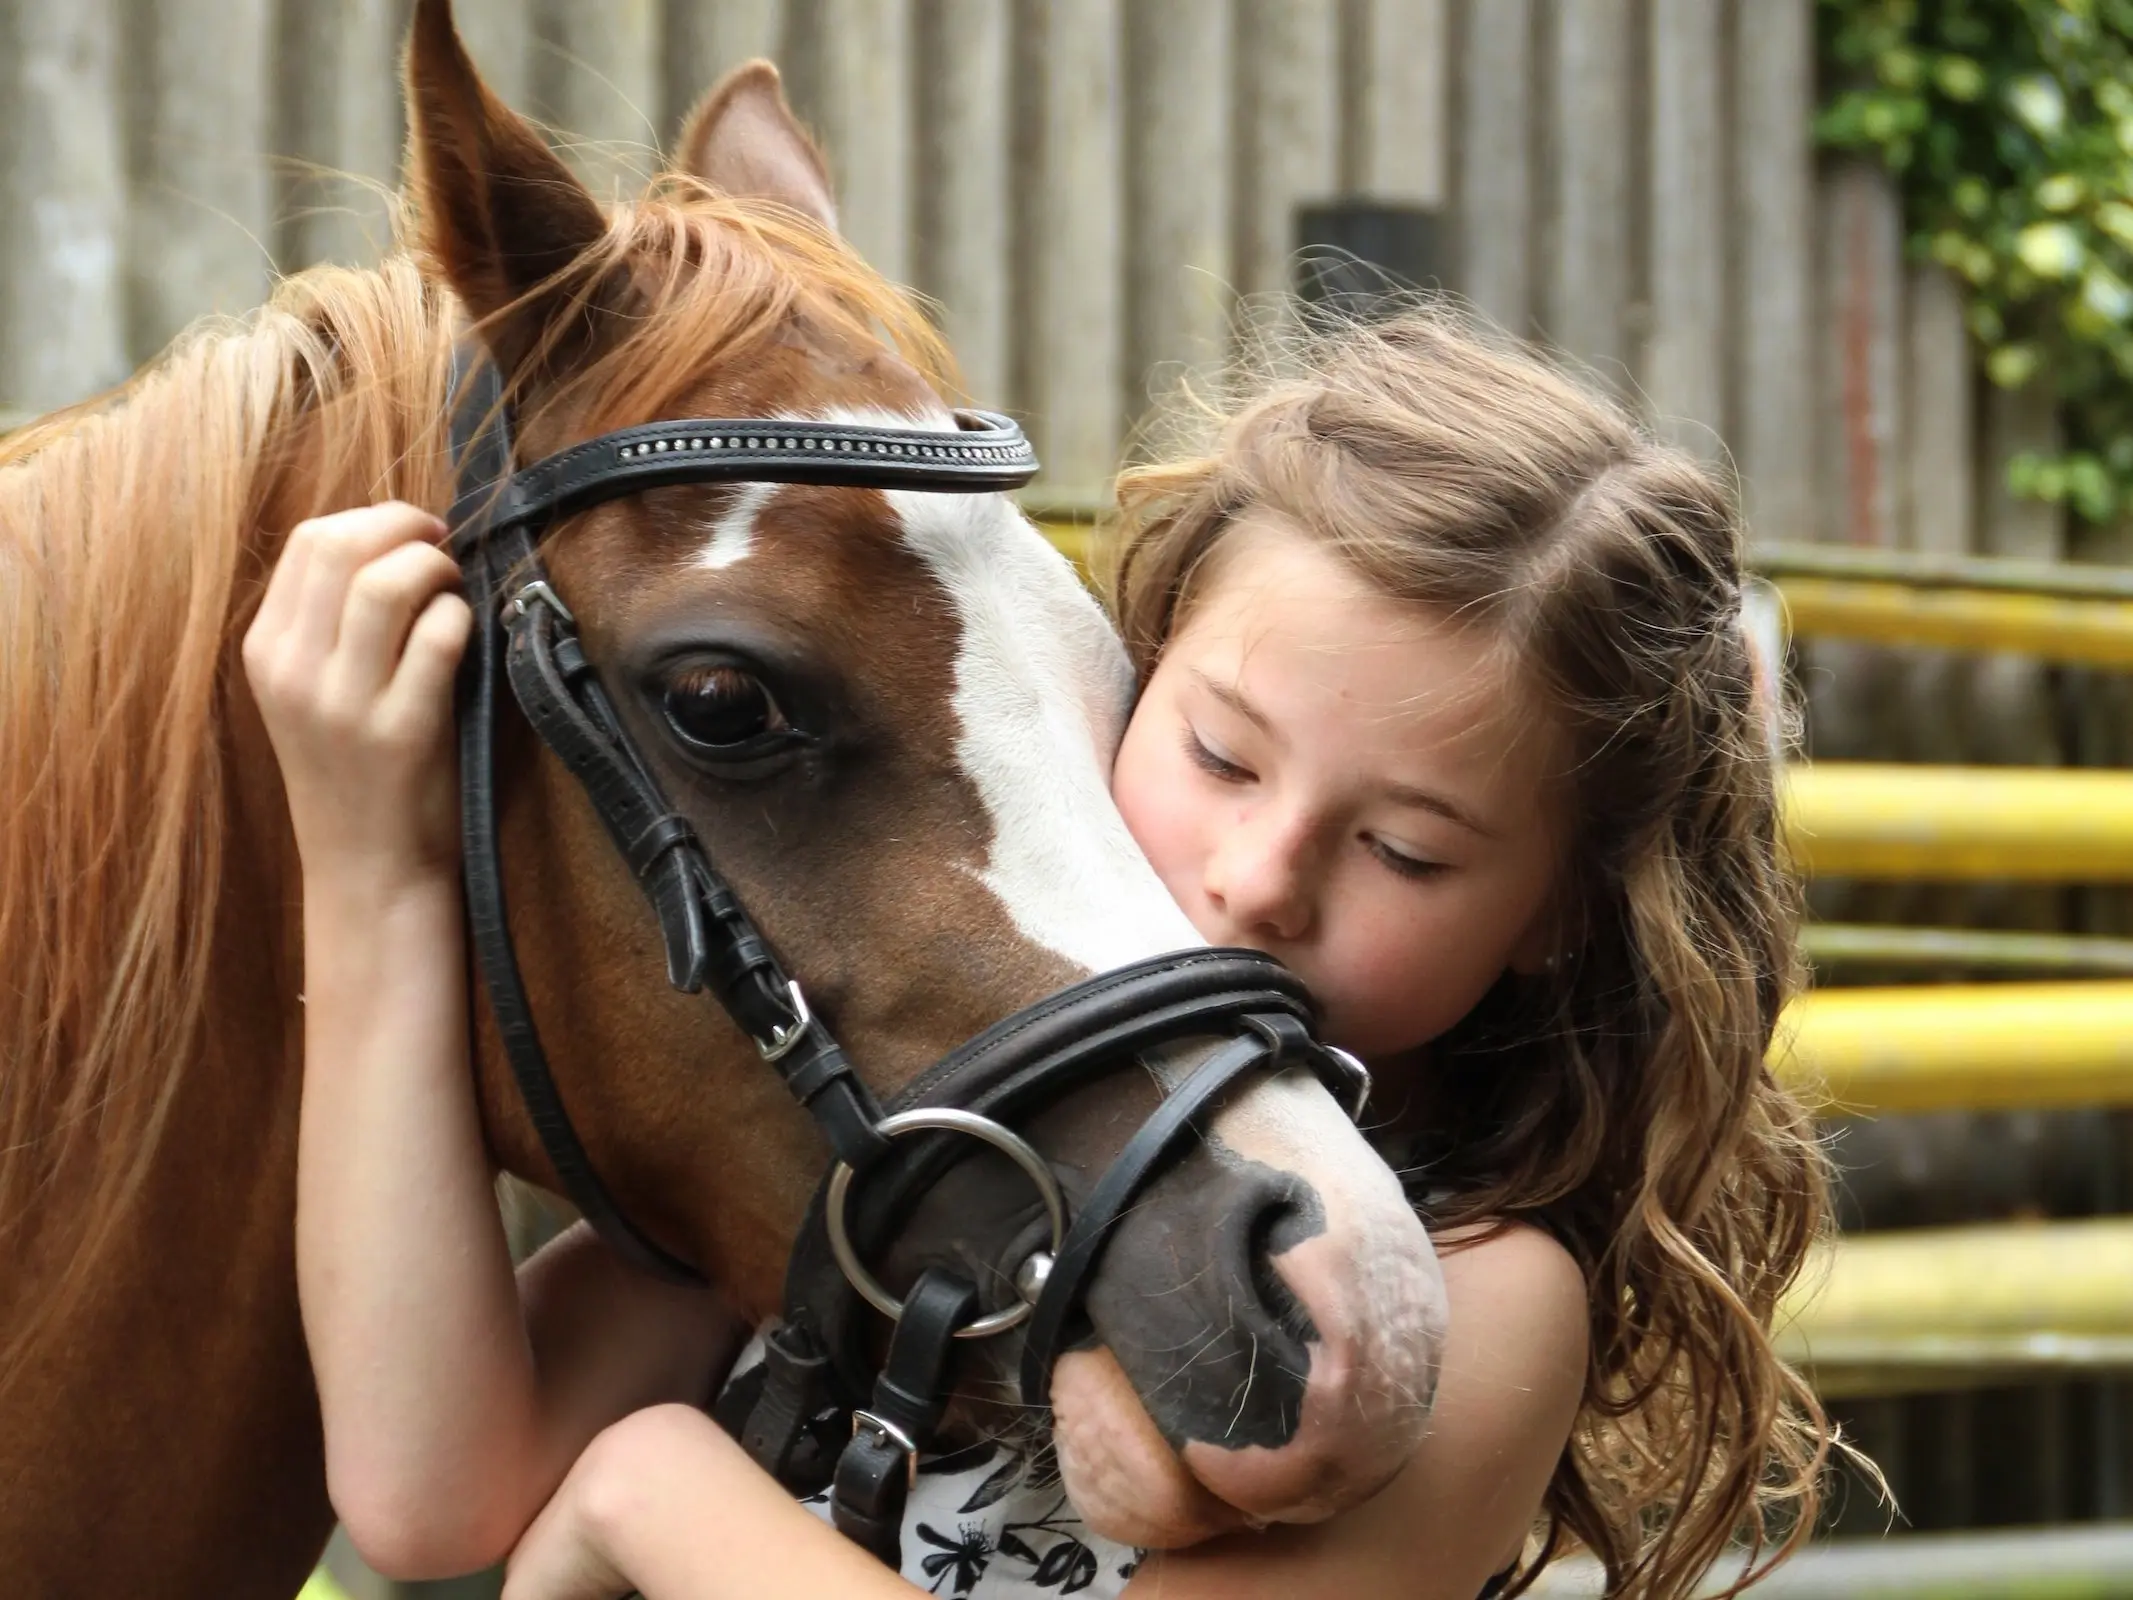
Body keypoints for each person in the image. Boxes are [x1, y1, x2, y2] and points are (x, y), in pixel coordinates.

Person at [247, 306, 1835, 1600]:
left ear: (1564, 911)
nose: (1259, 878)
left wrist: (645, 1494)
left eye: (1405, 850)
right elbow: (429, 1489)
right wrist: (370, 873)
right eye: (1218, 756)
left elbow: (558, 1496)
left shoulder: (1488, 1295)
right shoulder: (916, 1139)